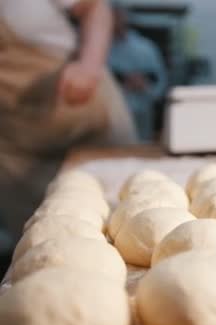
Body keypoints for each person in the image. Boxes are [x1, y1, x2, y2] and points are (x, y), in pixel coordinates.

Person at [0, 0, 136, 261]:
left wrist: (89, 65)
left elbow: (95, 7)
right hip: (16, 149)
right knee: (42, 254)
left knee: (121, 223)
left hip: (84, 117)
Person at [108, 5, 167, 141]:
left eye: (119, 17)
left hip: (142, 113)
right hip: (109, 116)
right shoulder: (98, 50)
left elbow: (160, 84)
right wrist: (121, 83)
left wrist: (143, 84)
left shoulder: (145, 48)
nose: (116, 21)